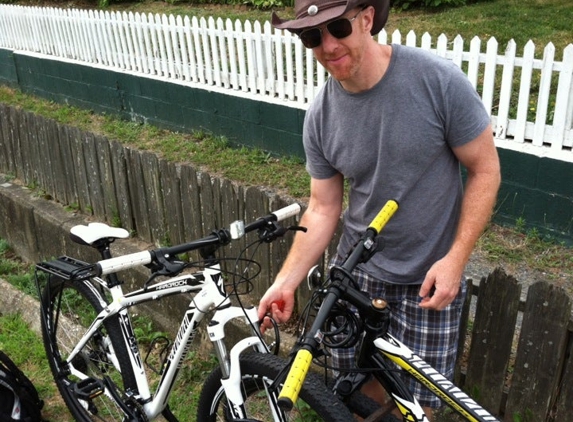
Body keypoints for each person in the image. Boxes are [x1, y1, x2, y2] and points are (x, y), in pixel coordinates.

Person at [257, 0, 501, 419]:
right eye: (312, 36)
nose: (328, 45)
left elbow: (485, 169)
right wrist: (286, 281)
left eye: (338, 28)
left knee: (415, 410)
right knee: (354, 400)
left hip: (428, 280)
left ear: (367, 19)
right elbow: (322, 206)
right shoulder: (320, 116)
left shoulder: (436, 80)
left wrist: (456, 259)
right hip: (357, 276)